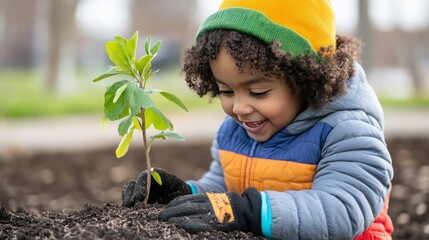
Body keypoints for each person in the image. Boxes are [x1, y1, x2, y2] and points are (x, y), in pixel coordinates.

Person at [122, 0, 394, 239]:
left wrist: (249, 212)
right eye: (226, 91)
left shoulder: (348, 131)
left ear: (306, 79)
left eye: (258, 92)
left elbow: (341, 212)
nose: (239, 108)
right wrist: (182, 193)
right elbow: (225, 190)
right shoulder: (237, 130)